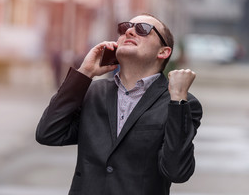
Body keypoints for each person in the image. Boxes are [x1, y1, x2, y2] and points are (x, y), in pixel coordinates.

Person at [36, 13, 202, 195]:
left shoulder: (180, 103)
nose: (129, 31)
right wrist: (85, 72)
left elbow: (177, 171)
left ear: (163, 52)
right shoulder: (93, 92)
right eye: (124, 28)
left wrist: (178, 99)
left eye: (143, 29)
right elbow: (48, 133)